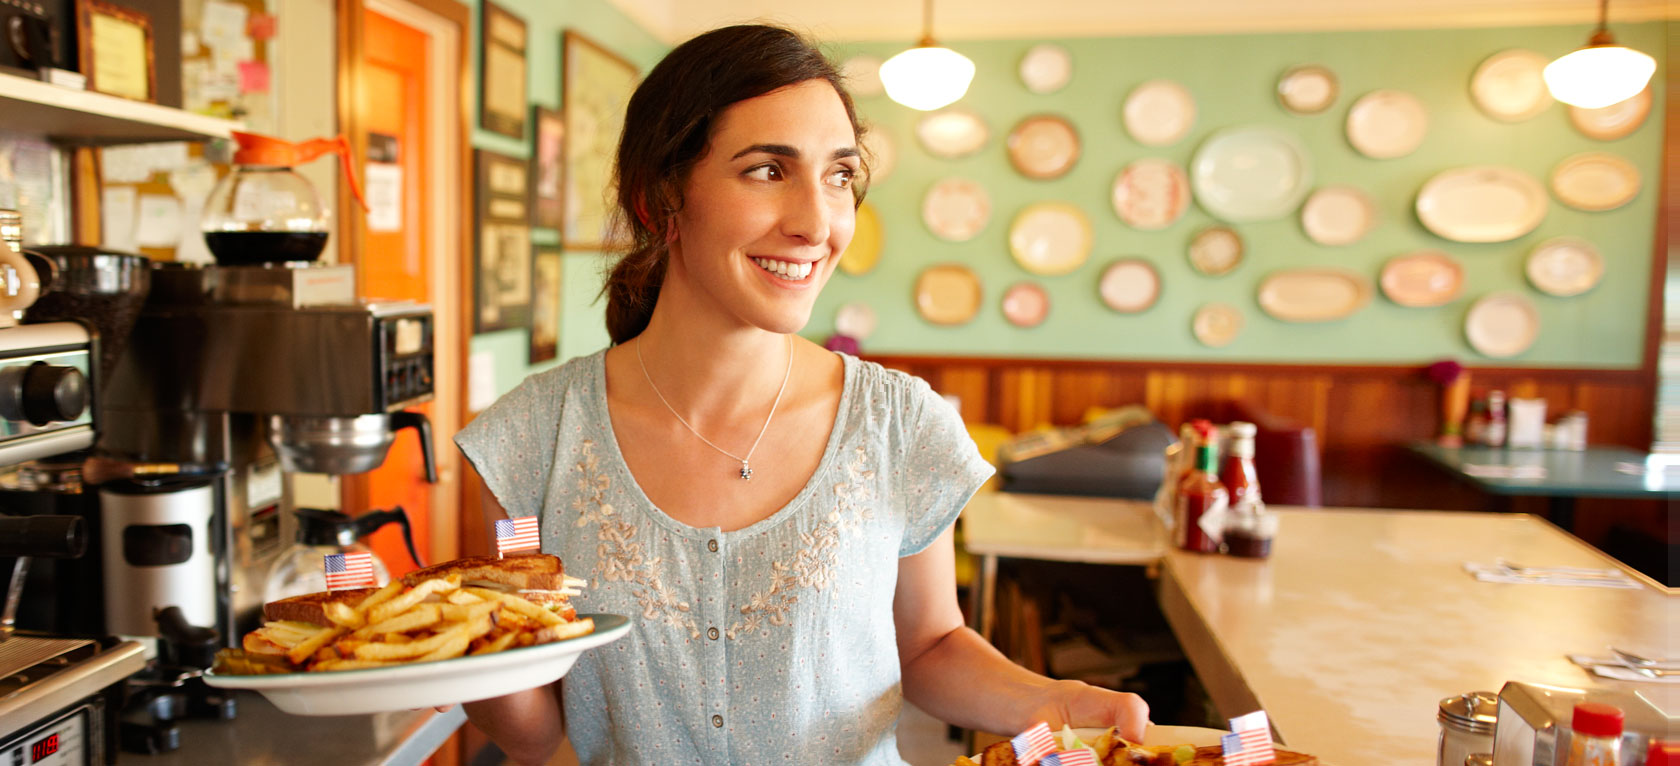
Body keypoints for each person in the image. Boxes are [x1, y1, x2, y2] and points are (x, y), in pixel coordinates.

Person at [453, 24, 1150, 766]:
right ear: (660, 198)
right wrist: (465, 651)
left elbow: (931, 643)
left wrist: (1049, 701)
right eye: (766, 171)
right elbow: (530, 729)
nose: (817, 223)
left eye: (839, 176)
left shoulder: (898, 423)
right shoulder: (528, 441)